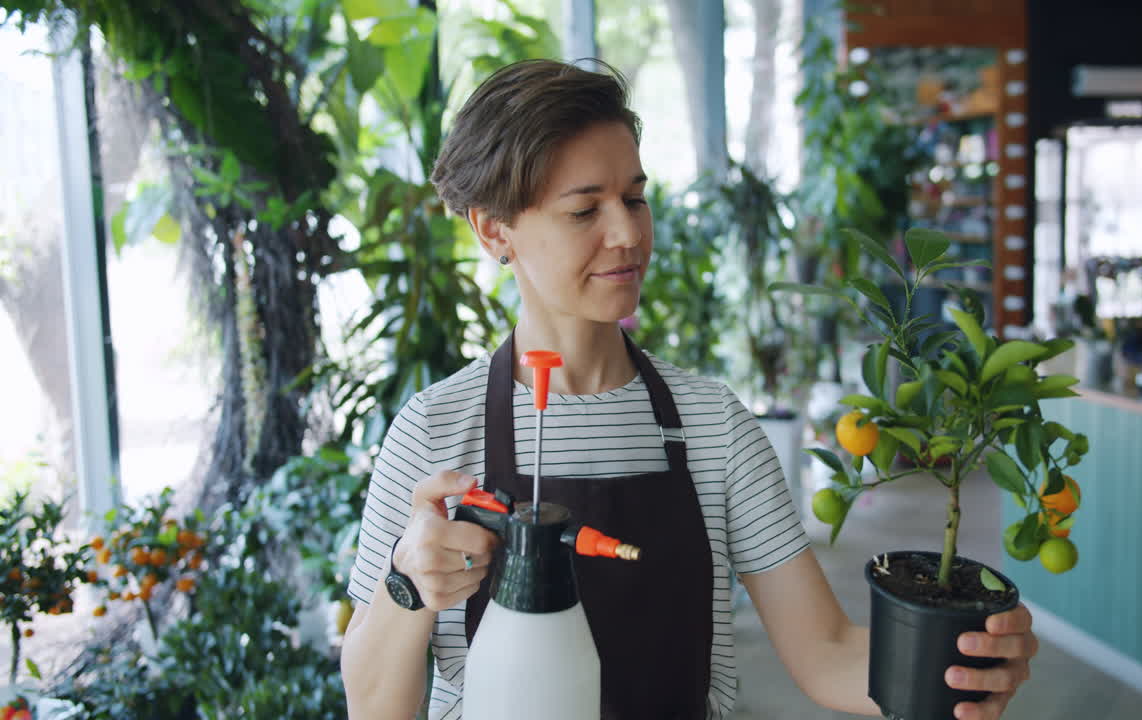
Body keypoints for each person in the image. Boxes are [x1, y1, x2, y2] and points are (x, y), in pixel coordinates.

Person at [340, 58, 1038, 720]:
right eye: (585, 211)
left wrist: (961, 665)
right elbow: (373, 705)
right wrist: (409, 587)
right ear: (495, 231)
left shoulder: (713, 426)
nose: (629, 232)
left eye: (635, 198)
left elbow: (825, 652)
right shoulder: (436, 431)